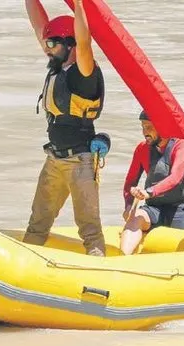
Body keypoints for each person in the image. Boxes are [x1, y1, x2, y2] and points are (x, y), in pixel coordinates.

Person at [22, 0, 110, 256]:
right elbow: (40, 27)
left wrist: (80, 5)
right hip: (54, 159)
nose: (46, 48)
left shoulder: (83, 73)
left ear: (69, 43)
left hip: (80, 162)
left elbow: (85, 41)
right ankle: (26, 269)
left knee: (89, 230)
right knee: (37, 224)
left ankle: (99, 274)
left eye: (51, 44)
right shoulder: (58, 67)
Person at [120, 109, 184, 255]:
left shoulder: (182, 146)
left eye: (149, 127)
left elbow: (175, 177)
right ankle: (122, 260)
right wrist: (128, 206)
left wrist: (149, 192)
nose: (144, 132)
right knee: (134, 219)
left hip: (182, 207)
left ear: (162, 127)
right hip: (155, 208)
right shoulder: (142, 149)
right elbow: (130, 182)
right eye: (142, 127)